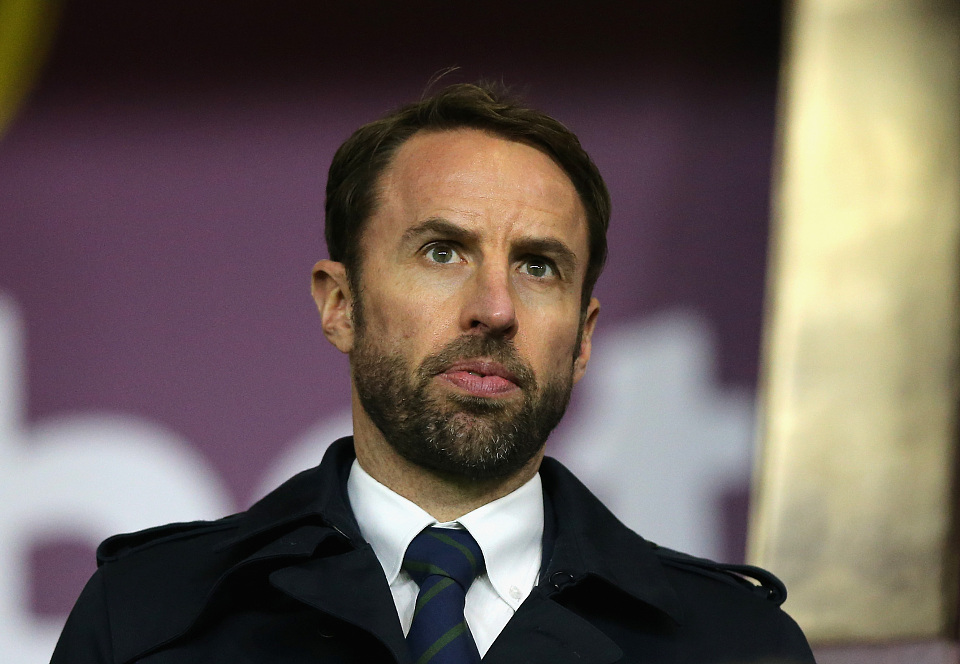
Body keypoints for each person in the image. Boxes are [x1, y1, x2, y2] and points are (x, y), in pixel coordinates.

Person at [51, 82, 815, 664]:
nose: (494, 308)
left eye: (539, 266)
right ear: (341, 303)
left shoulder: (737, 644)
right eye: (441, 252)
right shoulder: (147, 621)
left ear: (583, 339)